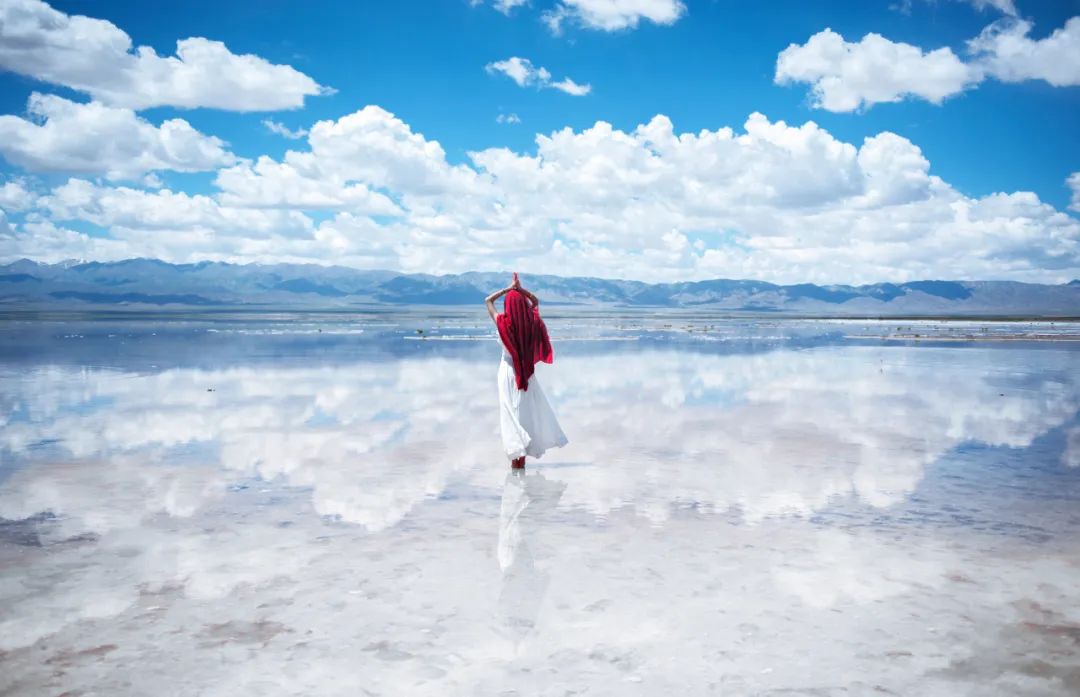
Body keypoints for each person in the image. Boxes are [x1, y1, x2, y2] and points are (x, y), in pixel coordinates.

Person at [485, 273, 568, 469]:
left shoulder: (502, 323)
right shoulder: (532, 323)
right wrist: (520, 290)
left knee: (510, 413)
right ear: (524, 305)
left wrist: (508, 289)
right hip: (526, 375)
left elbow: (487, 300)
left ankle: (516, 460)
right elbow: (536, 301)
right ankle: (520, 460)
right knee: (525, 414)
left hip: (507, 372)